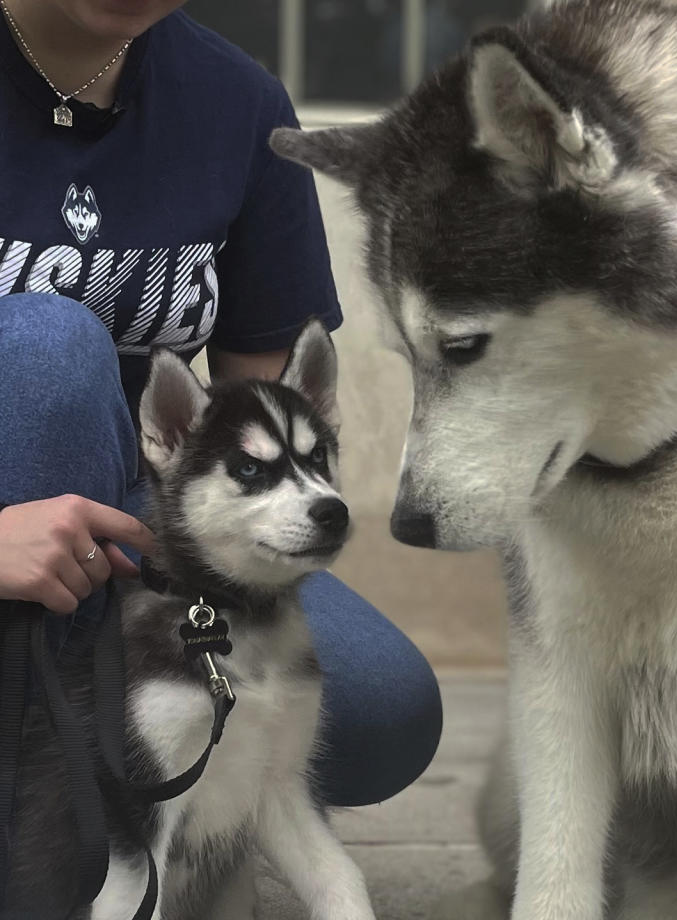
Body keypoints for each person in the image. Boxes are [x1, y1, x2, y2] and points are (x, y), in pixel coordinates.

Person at [0, 0, 442, 810]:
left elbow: (261, 418)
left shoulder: (235, 103)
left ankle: (114, 780)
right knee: (45, 347)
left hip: (138, 523)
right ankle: (42, 818)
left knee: (382, 711)